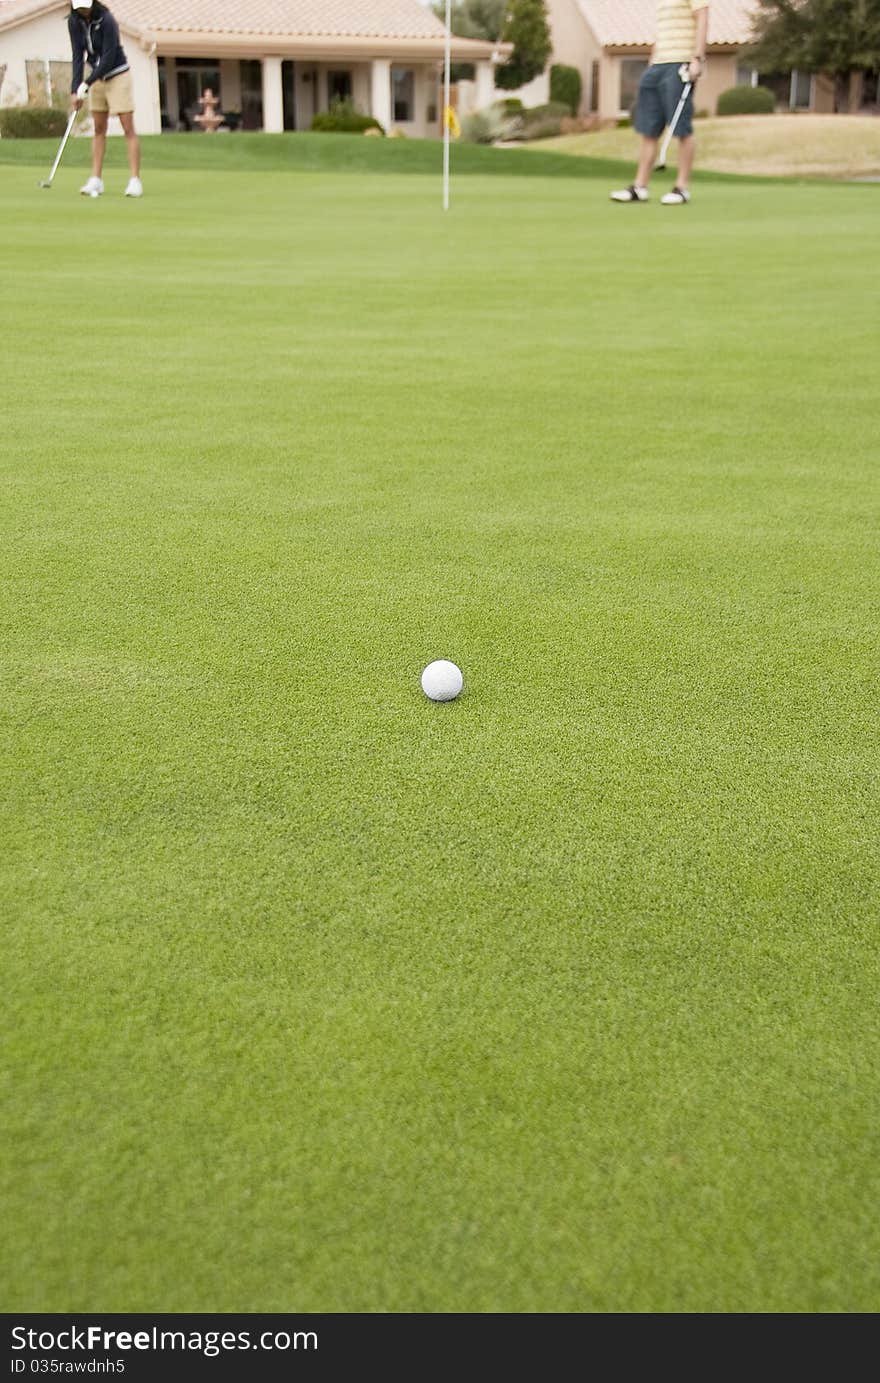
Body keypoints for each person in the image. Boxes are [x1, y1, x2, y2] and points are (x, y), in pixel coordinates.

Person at [610, 1, 708, 206]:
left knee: (681, 128)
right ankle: (640, 187)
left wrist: (697, 58)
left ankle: (681, 188)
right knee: (648, 129)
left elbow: (702, 17)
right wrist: (652, 62)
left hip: (680, 63)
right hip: (658, 65)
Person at [68, 0, 142, 197]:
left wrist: (87, 82)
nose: (83, 11)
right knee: (99, 128)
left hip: (118, 74)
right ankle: (96, 180)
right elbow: (77, 55)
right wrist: (75, 89)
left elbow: (109, 57)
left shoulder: (107, 20)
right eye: (79, 8)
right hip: (96, 79)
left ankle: (135, 180)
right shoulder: (74, 22)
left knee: (128, 127)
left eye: (85, 7)